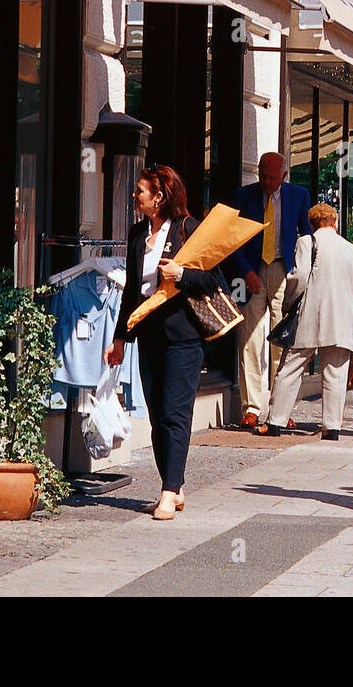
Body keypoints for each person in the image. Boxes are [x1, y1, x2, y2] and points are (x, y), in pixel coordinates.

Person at [107, 165, 223, 521]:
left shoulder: (189, 229)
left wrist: (182, 275)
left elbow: (214, 279)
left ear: (158, 197)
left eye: (139, 191)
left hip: (184, 338)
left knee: (175, 414)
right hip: (149, 336)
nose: (134, 196)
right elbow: (131, 291)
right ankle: (175, 482)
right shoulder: (137, 233)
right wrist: (120, 338)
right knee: (157, 415)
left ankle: (169, 492)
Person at [257, 203, 353, 440]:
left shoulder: (306, 241)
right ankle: (331, 427)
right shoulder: (351, 248)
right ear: (335, 222)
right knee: (335, 372)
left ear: (312, 223)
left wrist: (287, 305)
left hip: (311, 314)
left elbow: (300, 277)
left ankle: (275, 422)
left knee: (290, 368)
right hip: (341, 318)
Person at [231, 152, 313, 429]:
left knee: (283, 341)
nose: (266, 181)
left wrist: (299, 274)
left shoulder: (299, 196)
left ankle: (280, 408)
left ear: (284, 177)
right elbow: (234, 240)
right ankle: (251, 407)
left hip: (283, 271)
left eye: (272, 177)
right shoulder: (243, 196)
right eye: (263, 176)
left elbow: (307, 237)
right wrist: (246, 271)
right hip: (252, 271)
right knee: (250, 340)